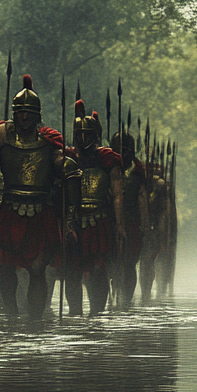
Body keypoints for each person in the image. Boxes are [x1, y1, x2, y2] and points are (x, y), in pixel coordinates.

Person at [0, 75, 67, 317]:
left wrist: (66, 166)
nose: (25, 116)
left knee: (37, 269)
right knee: (4, 268)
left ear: (37, 115)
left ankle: (35, 321)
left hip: (40, 211)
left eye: (29, 112)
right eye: (20, 112)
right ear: (15, 113)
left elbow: (60, 168)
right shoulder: (3, 136)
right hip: (10, 209)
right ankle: (12, 316)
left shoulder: (48, 141)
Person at [62, 103, 126, 315]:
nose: (82, 140)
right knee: (71, 272)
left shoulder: (108, 160)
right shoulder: (67, 159)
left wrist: (119, 224)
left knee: (98, 270)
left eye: (87, 135)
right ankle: (75, 315)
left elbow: (117, 195)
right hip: (74, 222)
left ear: (95, 136)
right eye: (79, 135)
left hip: (99, 221)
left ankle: (97, 315)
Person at [108, 129, 151, 307]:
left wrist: (145, 226)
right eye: (119, 149)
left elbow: (142, 198)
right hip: (109, 221)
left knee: (129, 262)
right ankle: (111, 297)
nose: (123, 153)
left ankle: (126, 301)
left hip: (131, 222)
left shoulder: (137, 171)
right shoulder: (108, 166)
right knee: (110, 262)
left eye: (127, 149)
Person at [138, 151, 172, 303]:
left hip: (153, 227)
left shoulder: (160, 186)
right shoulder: (139, 182)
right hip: (137, 225)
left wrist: (159, 230)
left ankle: (146, 294)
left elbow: (164, 211)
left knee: (147, 262)